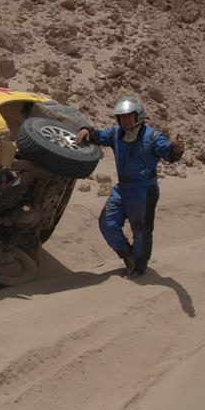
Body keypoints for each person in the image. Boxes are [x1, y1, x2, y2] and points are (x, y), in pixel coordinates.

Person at [76, 96, 185, 277]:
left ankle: (139, 266)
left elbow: (169, 153)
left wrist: (176, 150)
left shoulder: (153, 136)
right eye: (122, 117)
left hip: (144, 190)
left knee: (141, 231)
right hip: (123, 189)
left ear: (139, 116)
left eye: (129, 116)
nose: (125, 121)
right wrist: (87, 130)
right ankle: (128, 258)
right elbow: (99, 136)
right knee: (107, 224)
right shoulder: (116, 134)